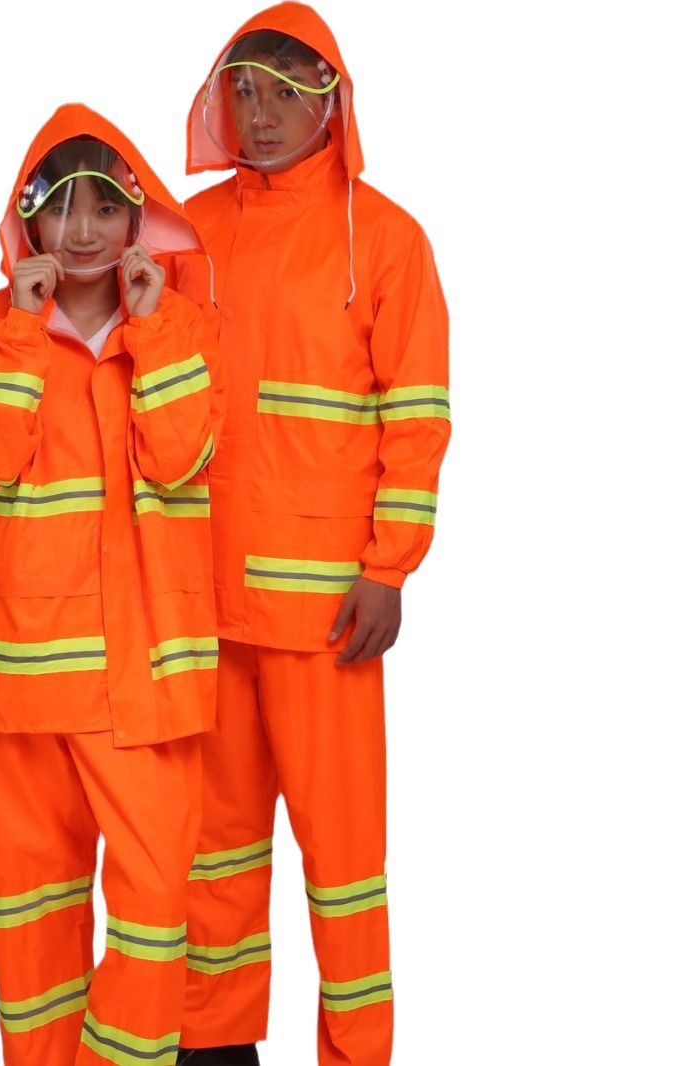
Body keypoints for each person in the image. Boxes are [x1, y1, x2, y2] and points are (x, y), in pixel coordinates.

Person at [172, 5, 451, 1064]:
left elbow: (416, 416)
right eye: (245, 90)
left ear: (334, 102)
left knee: (343, 866)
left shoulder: (384, 238)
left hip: (327, 613)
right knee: (213, 854)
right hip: (203, 606)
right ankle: (213, 1046)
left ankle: (356, 1053)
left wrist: (390, 569)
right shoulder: (187, 234)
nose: (264, 113)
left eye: (289, 90)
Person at [0, 103, 225, 1066]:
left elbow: (182, 459)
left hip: (142, 676)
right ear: (29, 219)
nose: (84, 231)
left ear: (138, 219)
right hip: (22, 677)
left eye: (105, 207)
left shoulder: (182, 326)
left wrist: (151, 329)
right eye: (62, 207)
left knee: (154, 906)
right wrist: (24, 329)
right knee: (32, 920)